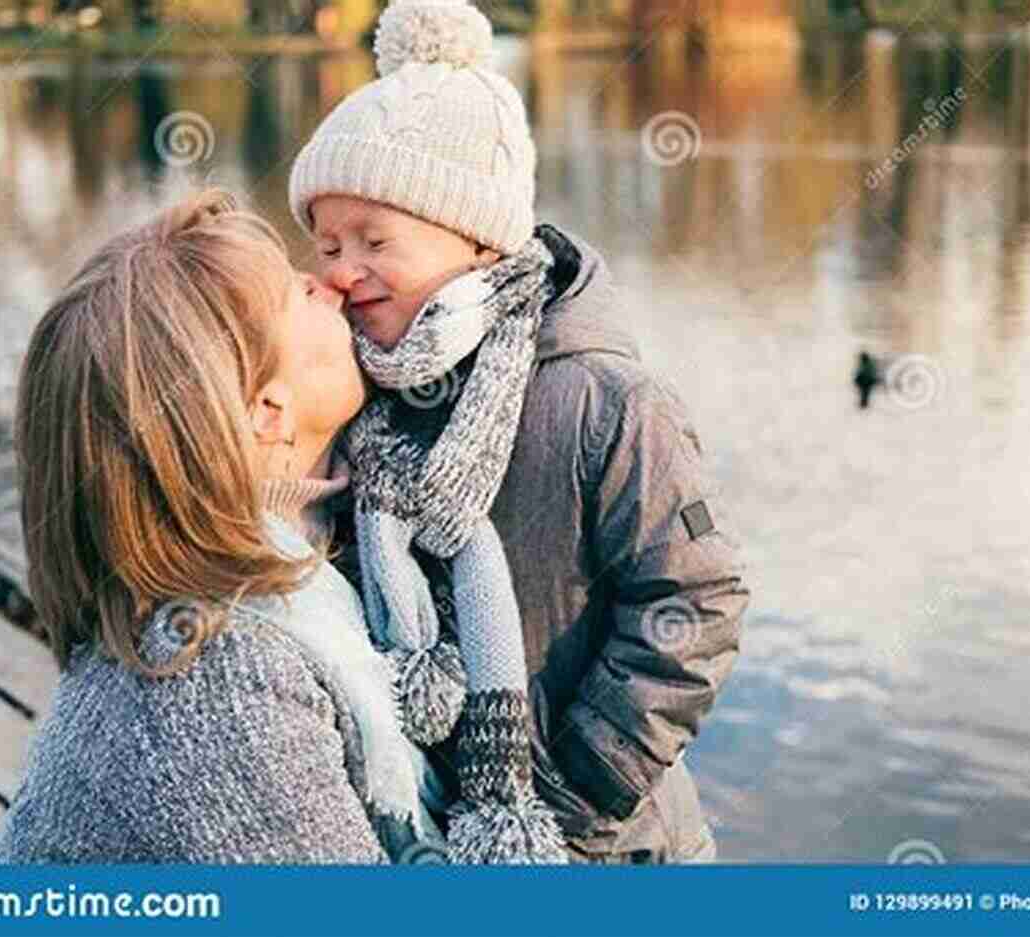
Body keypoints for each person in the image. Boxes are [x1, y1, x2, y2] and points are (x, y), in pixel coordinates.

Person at [289, 0, 750, 864]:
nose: (344, 271)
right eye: (325, 245)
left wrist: (576, 799)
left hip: (609, 849)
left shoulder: (602, 398)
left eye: (373, 239)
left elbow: (696, 603)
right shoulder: (356, 393)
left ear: (477, 236)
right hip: (433, 840)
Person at [0, 190, 444, 863]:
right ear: (266, 410)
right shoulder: (216, 678)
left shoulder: (278, 571)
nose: (331, 285)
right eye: (299, 294)